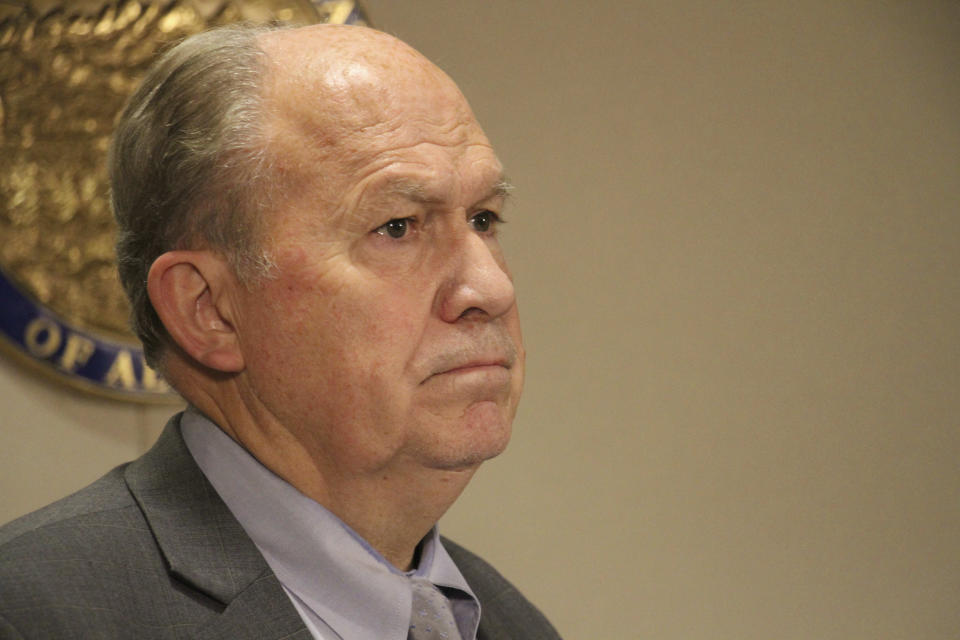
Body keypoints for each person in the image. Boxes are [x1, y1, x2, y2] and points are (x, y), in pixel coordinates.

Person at [0, 23, 560, 639]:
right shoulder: (34, 613)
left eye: (484, 218)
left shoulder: (510, 624)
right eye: (398, 226)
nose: (491, 289)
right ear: (208, 309)